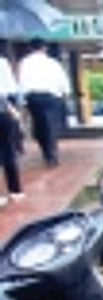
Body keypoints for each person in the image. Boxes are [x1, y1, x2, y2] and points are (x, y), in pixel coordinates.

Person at [18, 38, 69, 167]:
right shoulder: (53, 63)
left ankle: (47, 152)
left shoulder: (24, 63)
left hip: (33, 98)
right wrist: (65, 94)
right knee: (52, 124)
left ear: (30, 48)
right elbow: (62, 79)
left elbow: (22, 82)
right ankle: (52, 152)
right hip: (52, 97)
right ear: (44, 48)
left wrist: (22, 100)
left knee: (39, 125)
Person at [0, 54, 22, 203]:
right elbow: (10, 89)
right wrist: (12, 108)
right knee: (8, 150)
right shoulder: (2, 62)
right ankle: (15, 191)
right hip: (2, 112)